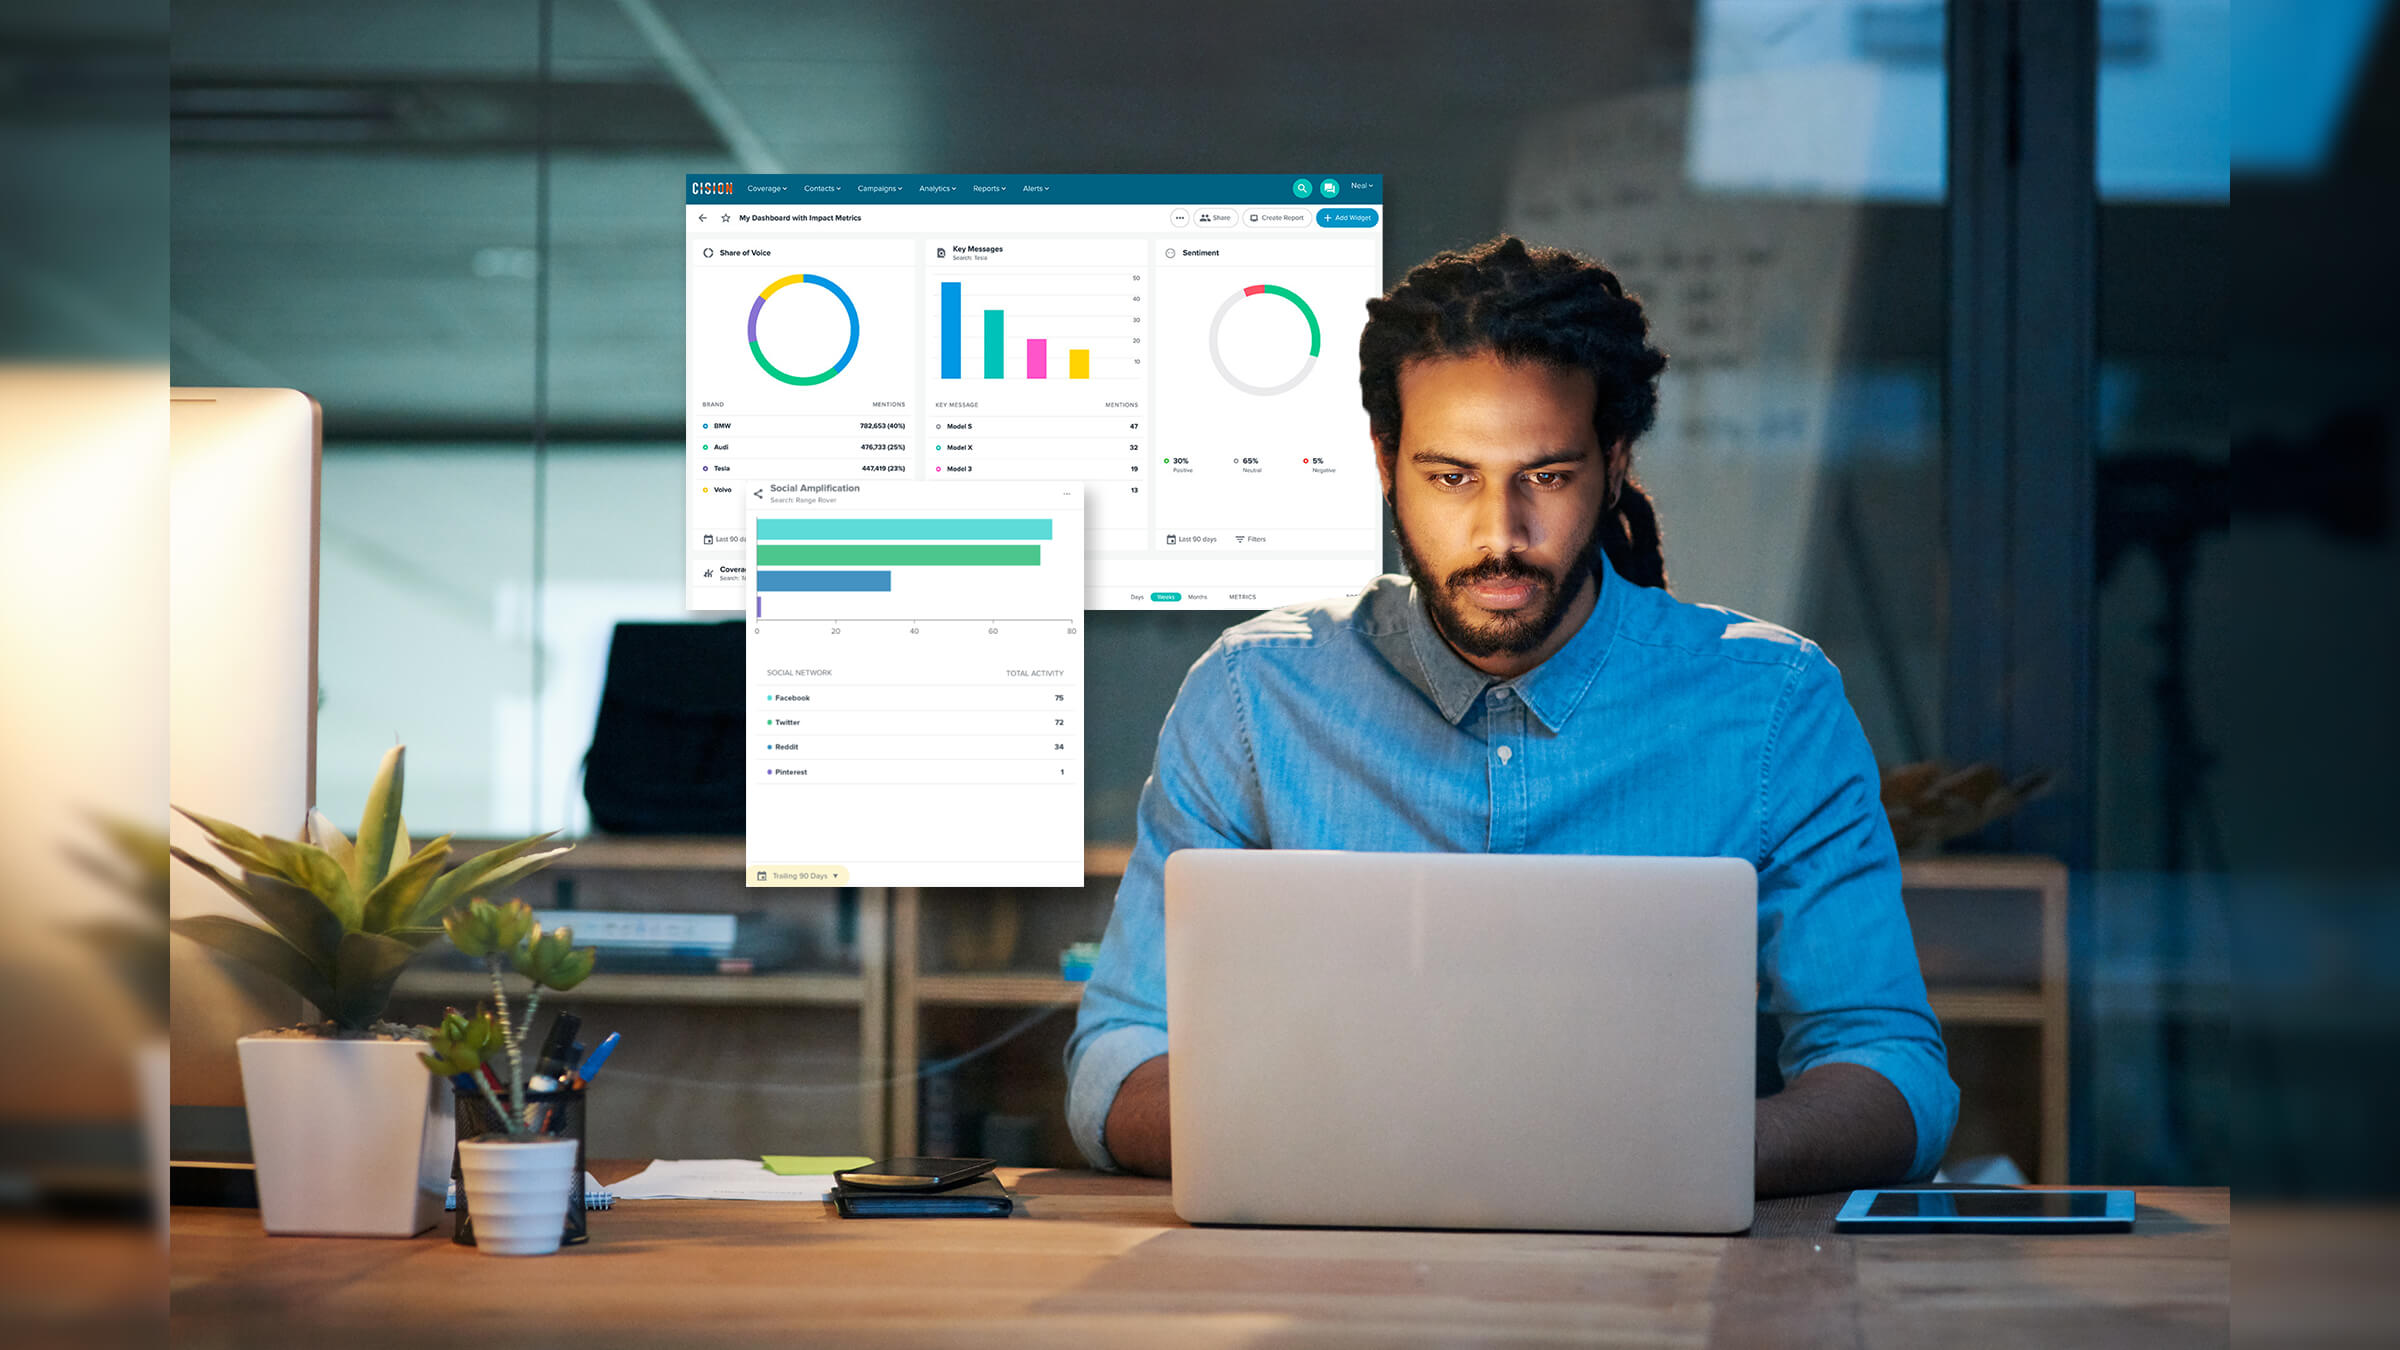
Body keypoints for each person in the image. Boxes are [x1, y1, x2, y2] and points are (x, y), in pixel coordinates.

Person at [1066, 236, 1957, 1196]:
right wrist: (1328, 1133)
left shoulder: (1775, 705)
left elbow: (1892, 1067)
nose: (1499, 534)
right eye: (1452, 476)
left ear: (1614, 465)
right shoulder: (1253, 697)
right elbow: (1116, 1058)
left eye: (1547, 477)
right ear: (1384, 462)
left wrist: (1703, 1153)